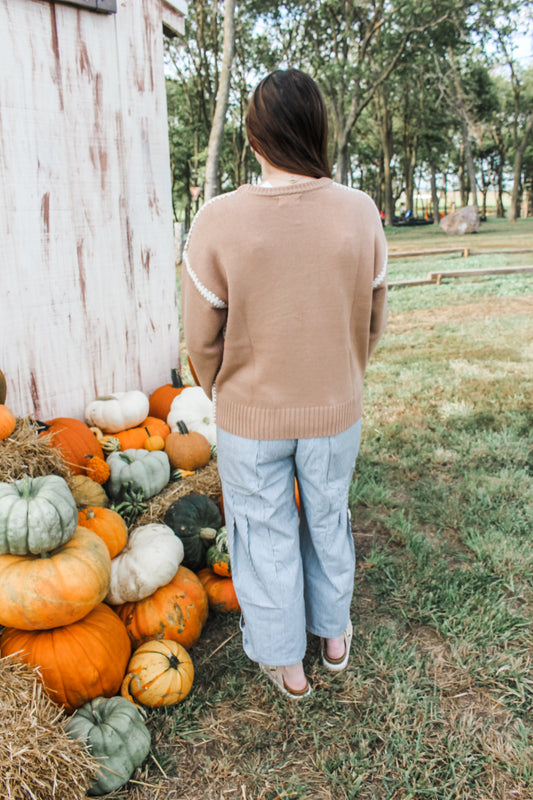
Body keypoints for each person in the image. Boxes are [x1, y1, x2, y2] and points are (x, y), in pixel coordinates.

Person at [181, 68, 387, 700]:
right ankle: (332, 638)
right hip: (335, 408)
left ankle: (285, 665)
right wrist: (341, 373)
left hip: (248, 415)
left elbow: (200, 337)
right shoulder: (359, 213)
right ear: (317, 129)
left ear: (253, 137)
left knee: (263, 530)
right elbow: (373, 320)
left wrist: (225, 389)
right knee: (328, 518)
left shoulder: (217, 220)